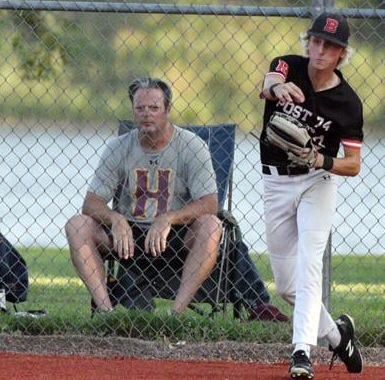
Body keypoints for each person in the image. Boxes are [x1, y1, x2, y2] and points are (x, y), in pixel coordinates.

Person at [66, 77, 287, 321]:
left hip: (175, 237)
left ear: (168, 110)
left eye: (154, 108)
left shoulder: (192, 146)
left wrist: (170, 217)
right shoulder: (118, 147)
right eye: (140, 108)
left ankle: (175, 316)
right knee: (77, 225)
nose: (146, 114)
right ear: (133, 110)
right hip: (127, 237)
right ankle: (107, 313)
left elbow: (210, 203)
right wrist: (115, 218)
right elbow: (90, 203)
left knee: (212, 225)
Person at [259, 12, 364, 379]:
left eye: (330, 46)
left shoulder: (347, 103)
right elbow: (269, 81)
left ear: (341, 54)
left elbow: (352, 164)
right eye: (317, 41)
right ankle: (338, 336)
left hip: (317, 182)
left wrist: (320, 158)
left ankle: (301, 352)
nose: (321, 50)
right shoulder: (288, 65)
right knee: (288, 286)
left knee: (309, 264)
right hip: (275, 182)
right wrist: (276, 88)